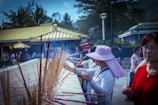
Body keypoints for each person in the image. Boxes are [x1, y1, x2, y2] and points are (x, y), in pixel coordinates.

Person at [121, 32, 158, 105]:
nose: (147, 51)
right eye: (145, 47)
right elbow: (134, 96)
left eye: (152, 47)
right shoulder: (140, 70)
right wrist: (128, 92)